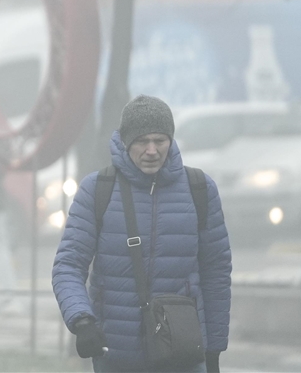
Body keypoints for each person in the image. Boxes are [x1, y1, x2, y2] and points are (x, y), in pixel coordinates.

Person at [52, 94, 232, 373]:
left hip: (183, 352)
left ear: (171, 141)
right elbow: (68, 265)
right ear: (125, 143)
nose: (151, 150)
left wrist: (214, 350)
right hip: (116, 354)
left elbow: (216, 273)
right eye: (141, 141)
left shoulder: (200, 189)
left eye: (159, 140)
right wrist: (82, 320)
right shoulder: (98, 189)